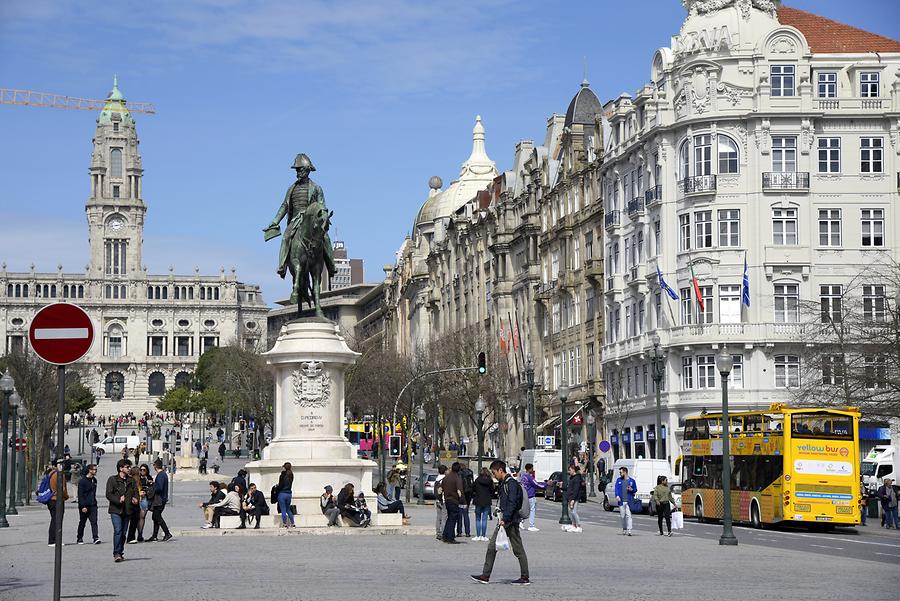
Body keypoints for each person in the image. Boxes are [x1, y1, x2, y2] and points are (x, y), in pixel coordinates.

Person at [471, 460, 530, 586]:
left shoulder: (511, 484)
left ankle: (524, 577)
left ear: (500, 470)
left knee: (517, 549)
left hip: (510, 521)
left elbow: (512, 502)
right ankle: (485, 575)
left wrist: (505, 518)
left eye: (494, 473)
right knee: (492, 547)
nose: (494, 476)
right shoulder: (505, 483)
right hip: (505, 519)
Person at [106, 458, 138, 562]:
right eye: (127, 467)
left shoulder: (131, 480)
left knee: (123, 532)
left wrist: (136, 499)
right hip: (116, 510)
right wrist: (118, 500)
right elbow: (108, 494)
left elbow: (136, 492)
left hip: (127, 510)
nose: (129, 469)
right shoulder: (112, 480)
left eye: (130, 467)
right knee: (118, 530)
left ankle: (120, 551)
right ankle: (117, 553)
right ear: (121, 468)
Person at [76, 464, 101, 545]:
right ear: (89, 470)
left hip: (93, 504)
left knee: (94, 521)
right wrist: (83, 506)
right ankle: (79, 537)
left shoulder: (94, 480)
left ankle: (95, 537)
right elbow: (80, 495)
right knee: (82, 522)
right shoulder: (82, 481)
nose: (95, 471)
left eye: (96, 470)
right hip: (84, 505)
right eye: (94, 470)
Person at [147, 459, 172, 541]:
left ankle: (167, 533)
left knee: (157, 516)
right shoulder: (163, 474)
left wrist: (153, 486)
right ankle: (154, 536)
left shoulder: (161, 475)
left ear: (155, 466)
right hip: (161, 499)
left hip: (160, 499)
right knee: (155, 517)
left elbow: (159, 488)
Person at [126, 465, 151, 543]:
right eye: (140, 470)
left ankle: (140, 534)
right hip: (137, 500)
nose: (141, 472)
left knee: (141, 517)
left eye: (143, 470)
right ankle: (136, 535)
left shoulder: (144, 478)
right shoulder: (131, 480)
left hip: (143, 499)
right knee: (137, 518)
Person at [519, 463, 546, 532]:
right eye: (532, 468)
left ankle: (521, 521)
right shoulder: (529, 477)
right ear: (530, 469)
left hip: (525, 495)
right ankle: (531, 525)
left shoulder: (523, 477)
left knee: (525, 510)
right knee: (532, 510)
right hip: (530, 495)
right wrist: (546, 485)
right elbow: (537, 485)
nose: (533, 470)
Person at [441, 462, 464, 544]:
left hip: (447, 500)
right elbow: (459, 491)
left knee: (449, 518)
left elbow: (441, 488)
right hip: (454, 500)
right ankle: (450, 537)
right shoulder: (457, 478)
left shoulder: (446, 477)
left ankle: (445, 535)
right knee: (453, 519)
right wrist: (462, 500)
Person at [47, 466, 69, 547]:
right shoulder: (59, 475)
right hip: (57, 499)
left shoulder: (51, 473)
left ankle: (52, 539)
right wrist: (66, 496)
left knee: (54, 519)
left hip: (50, 499)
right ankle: (54, 540)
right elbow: (62, 489)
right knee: (57, 520)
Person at [473, 467, 495, 541]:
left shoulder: (477, 480)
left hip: (478, 500)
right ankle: (483, 536)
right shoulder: (490, 481)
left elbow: (473, 489)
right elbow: (492, 490)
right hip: (487, 500)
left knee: (478, 518)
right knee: (484, 519)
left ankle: (478, 535)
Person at [615, 466, 637, 536]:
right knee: (622, 516)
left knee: (628, 515)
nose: (620, 473)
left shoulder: (631, 481)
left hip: (629, 500)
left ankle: (629, 530)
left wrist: (631, 489)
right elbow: (616, 489)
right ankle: (624, 528)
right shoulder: (619, 480)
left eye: (621, 472)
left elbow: (635, 489)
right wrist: (617, 496)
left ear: (625, 472)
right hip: (621, 501)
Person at [564, 465, 584, 533]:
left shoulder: (577, 478)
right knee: (572, 512)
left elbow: (576, 489)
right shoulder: (572, 477)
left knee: (574, 512)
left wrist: (573, 499)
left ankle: (579, 526)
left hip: (574, 497)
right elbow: (570, 488)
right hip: (570, 496)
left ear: (573, 470)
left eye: (570, 470)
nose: (569, 472)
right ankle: (574, 525)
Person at [275, 462, 295, 528]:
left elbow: (280, 485)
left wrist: (277, 487)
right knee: (288, 509)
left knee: (283, 509)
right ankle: (293, 523)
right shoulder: (291, 475)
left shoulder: (282, 475)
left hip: (282, 493)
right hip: (289, 493)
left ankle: (285, 524)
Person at [435, 464, 447, 540]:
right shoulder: (445, 479)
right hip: (443, 500)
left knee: (438, 517)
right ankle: (443, 533)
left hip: (437, 500)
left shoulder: (437, 479)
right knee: (444, 518)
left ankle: (438, 532)